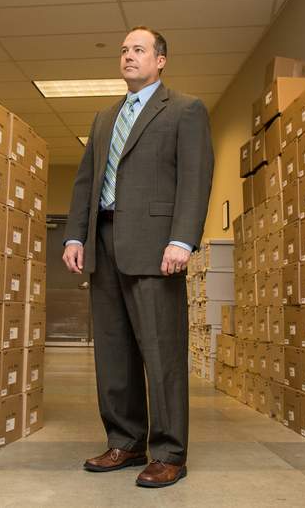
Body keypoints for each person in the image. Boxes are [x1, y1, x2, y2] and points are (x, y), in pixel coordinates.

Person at [61, 26, 214, 488]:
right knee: (113, 351)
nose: (128, 56)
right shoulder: (103, 118)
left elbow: (196, 177)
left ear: (161, 60)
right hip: (103, 245)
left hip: (155, 246)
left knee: (161, 351)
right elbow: (86, 181)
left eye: (139, 50)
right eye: (124, 50)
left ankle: (169, 452)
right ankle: (125, 442)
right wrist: (75, 237)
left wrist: (183, 240)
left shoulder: (185, 109)